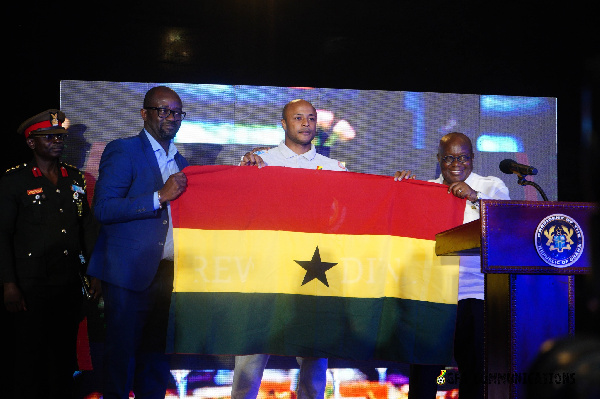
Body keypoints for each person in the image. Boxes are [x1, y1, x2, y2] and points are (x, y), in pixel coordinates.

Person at [233, 99, 347, 399]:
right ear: (283, 124)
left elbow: (347, 216)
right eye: (298, 118)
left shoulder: (334, 168)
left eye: (311, 118)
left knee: (314, 354)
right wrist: (244, 171)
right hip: (267, 268)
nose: (306, 123)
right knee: (252, 350)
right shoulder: (260, 162)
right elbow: (237, 207)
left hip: (313, 268)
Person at [87, 86, 189, 399]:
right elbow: (103, 208)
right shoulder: (124, 150)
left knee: (156, 359)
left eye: (176, 112)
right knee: (122, 357)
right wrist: (159, 196)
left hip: (169, 274)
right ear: (144, 113)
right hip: (129, 273)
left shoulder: (181, 161)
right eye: (162, 110)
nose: (170, 117)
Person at [394, 132, 510, 399]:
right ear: (439, 160)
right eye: (448, 158)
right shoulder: (427, 190)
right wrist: (401, 190)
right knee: (424, 374)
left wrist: (474, 197)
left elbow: (506, 221)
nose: (456, 164)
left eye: (463, 157)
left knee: (475, 374)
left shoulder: (491, 186)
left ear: (472, 158)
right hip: (433, 294)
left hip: (477, 294)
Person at [0, 109, 98, 398]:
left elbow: (88, 229)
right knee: (30, 359)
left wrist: (95, 272)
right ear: (32, 143)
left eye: (61, 136)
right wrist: (8, 284)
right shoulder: (14, 181)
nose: (57, 141)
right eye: (50, 136)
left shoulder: (76, 178)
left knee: (64, 359)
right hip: (30, 286)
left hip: (67, 284)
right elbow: (3, 234)